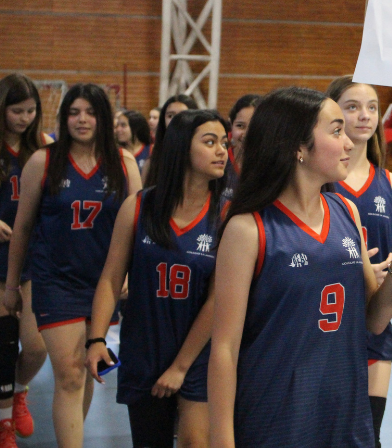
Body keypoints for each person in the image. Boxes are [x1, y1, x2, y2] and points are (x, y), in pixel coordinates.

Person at [208, 87, 392, 447]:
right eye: (336, 130)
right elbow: (224, 349)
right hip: (275, 418)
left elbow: (372, 320)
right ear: (297, 146)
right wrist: (221, 440)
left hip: (345, 413)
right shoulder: (248, 229)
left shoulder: (346, 211)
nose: (349, 143)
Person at [2, 84, 141, 448]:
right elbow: (22, 228)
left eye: (91, 112)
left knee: (85, 369)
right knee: (68, 374)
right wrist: (12, 285)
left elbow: (137, 228)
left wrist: (129, 274)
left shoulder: (124, 163)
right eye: (75, 112)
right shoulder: (43, 161)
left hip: (103, 284)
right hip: (54, 281)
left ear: (104, 118)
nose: (82, 120)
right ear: (64, 118)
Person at [86, 110, 229, 448]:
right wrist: (96, 339)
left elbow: (218, 300)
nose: (222, 151)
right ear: (181, 148)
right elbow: (110, 279)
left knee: (196, 442)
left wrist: (180, 367)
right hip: (145, 347)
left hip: (200, 352)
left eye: (224, 143)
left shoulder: (227, 215)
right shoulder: (138, 207)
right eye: (210, 142)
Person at [326, 76, 392, 448]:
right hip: (326, 325)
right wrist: (355, 271)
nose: (365, 115)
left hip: (374, 328)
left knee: (369, 437)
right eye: (353, 106)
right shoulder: (319, 180)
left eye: (372, 107)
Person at [0, 75, 52, 446]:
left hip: (33, 258)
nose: (24, 118)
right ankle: (4, 422)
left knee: (36, 346)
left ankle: (20, 390)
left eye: (31, 111)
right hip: (0, 256)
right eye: (17, 111)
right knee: (4, 345)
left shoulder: (44, 146)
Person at [143, 95, 198, 187]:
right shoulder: (152, 163)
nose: (176, 120)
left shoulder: (202, 159)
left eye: (183, 115)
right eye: (170, 116)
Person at [223, 95, 259, 201]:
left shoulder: (275, 168)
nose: (247, 134)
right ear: (231, 125)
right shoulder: (219, 162)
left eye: (254, 127)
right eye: (240, 126)